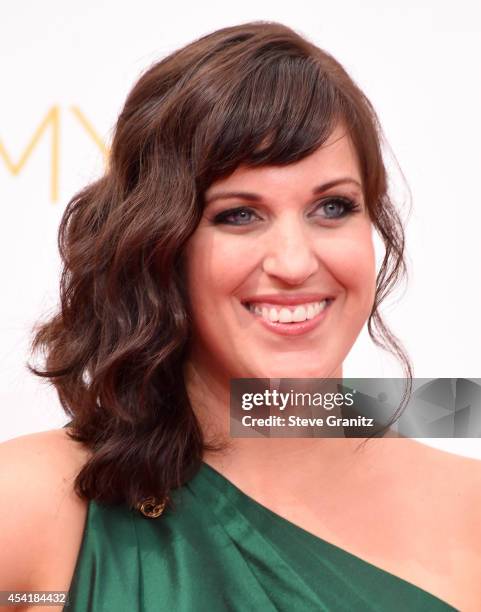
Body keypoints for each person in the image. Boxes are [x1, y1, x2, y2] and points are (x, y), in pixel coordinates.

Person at [0, 21, 480, 612]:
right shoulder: (32, 505)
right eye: (238, 215)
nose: (295, 262)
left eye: (333, 207)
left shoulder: (468, 509)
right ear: (159, 244)